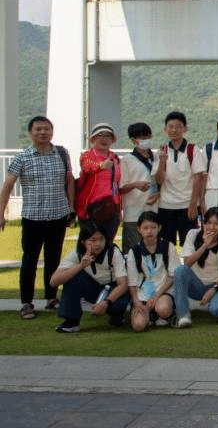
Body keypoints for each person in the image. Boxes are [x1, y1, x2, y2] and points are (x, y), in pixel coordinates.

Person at [0, 116, 75, 320]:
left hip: (58, 216)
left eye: (46, 129)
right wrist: (1, 213)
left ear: (52, 131)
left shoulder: (62, 153)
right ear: (30, 133)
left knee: (53, 260)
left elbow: (69, 181)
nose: (43, 132)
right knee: (29, 262)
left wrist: (71, 207)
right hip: (33, 218)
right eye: (38, 129)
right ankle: (26, 303)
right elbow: (7, 185)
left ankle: (51, 297)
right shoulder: (22, 157)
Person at [50, 222, 130, 333]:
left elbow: (123, 284)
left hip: (112, 288)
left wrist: (106, 302)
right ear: (83, 242)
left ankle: (117, 315)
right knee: (73, 278)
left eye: (101, 239)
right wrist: (80, 266)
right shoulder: (77, 253)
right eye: (93, 240)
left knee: (119, 302)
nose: (98, 244)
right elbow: (53, 281)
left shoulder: (113, 252)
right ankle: (71, 322)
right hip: (93, 287)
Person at [173, 207, 218, 328]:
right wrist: (205, 245)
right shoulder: (193, 234)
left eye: (216, 224)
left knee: (217, 310)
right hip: (197, 283)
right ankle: (183, 315)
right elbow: (187, 263)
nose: (211, 227)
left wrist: (213, 289)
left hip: (217, 285)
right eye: (208, 223)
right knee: (180, 271)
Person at [154, 111, 207, 246]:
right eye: (170, 127)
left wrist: (193, 204)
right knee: (166, 246)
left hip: (187, 206)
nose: (174, 130)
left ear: (185, 129)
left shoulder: (192, 149)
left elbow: (198, 177)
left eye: (178, 126)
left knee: (190, 245)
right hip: (166, 205)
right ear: (165, 129)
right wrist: (162, 162)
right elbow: (158, 180)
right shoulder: (162, 151)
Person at [125, 211, 180, 332]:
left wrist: (157, 296)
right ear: (139, 229)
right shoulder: (134, 251)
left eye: (153, 227)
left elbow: (172, 276)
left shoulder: (168, 247)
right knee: (138, 325)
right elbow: (132, 283)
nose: (149, 231)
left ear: (159, 228)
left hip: (162, 291)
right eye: (145, 228)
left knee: (163, 309)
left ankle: (165, 315)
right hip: (143, 293)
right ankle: (151, 316)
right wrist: (137, 302)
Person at [75, 123, 122, 242]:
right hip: (91, 208)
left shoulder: (114, 157)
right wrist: (101, 165)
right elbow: (87, 166)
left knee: (107, 242)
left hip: (111, 206)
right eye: (100, 135)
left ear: (112, 140)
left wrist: (118, 205)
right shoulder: (87, 155)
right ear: (93, 139)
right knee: (90, 243)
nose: (104, 139)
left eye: (108, 136)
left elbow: (115, 182)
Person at [119, 122, 160, 251]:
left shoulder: (157, 157)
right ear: (133, 140)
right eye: (142, 138)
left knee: (153, 251)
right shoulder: (127, 160)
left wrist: (158, 193)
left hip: (154, 212)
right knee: (133, 252)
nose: (146, 140)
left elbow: (162, 181)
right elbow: (120, 188)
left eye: (148, 137)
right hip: (133, 215)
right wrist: (135, 185)